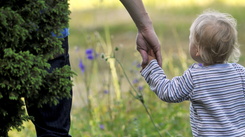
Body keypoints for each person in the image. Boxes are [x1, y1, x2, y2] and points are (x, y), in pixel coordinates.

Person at [25, 0, 161, 136]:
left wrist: (146, 29)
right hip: (46, 32)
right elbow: (170, 91)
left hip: (45, 36)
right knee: (52, 132)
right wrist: (145, 27)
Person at [140, 10, 245, 136]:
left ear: (198, 49)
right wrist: (239, 112)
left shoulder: (195, 77)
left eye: (190, 39)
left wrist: (152, 67)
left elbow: (169, 92)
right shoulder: (241, 73)